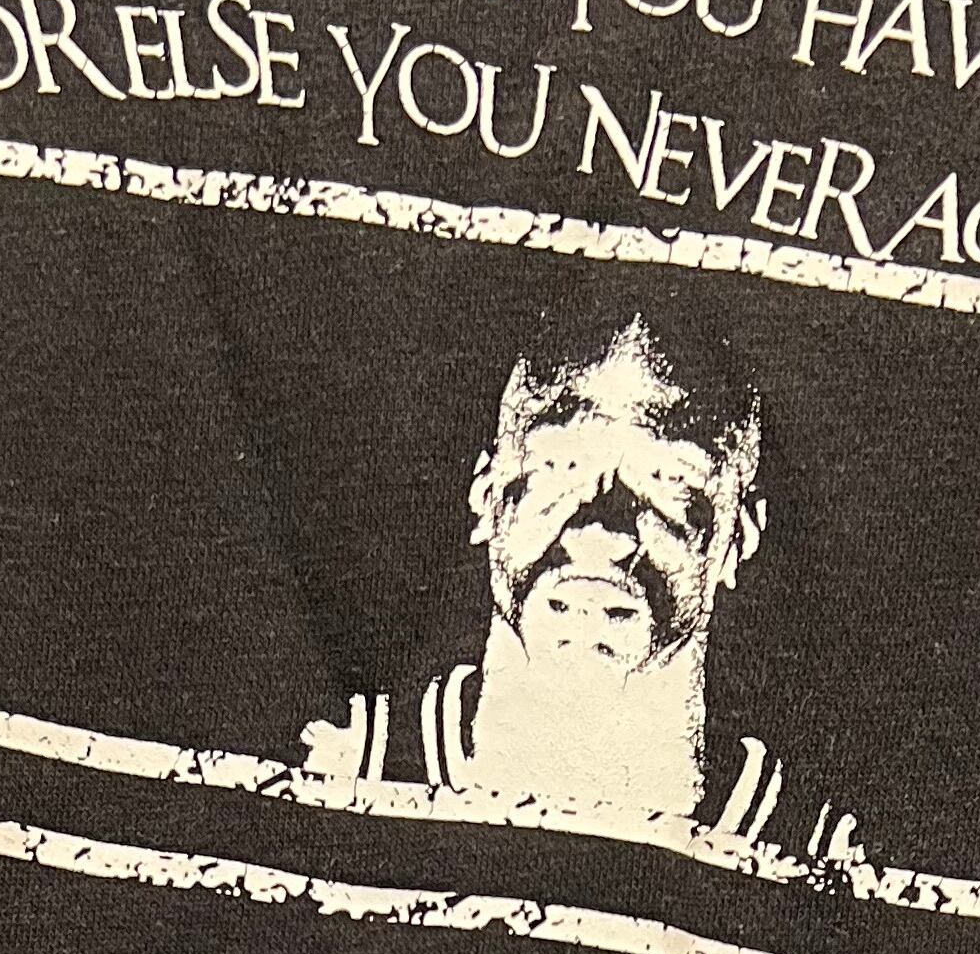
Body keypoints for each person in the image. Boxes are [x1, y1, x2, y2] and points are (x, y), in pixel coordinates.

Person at [297, 291, 862, 868]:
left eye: (667, 479)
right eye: (558, 466)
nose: (601, 531)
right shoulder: (337, 774)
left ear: (737, 536)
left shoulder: (820, 858)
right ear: (488, 497)